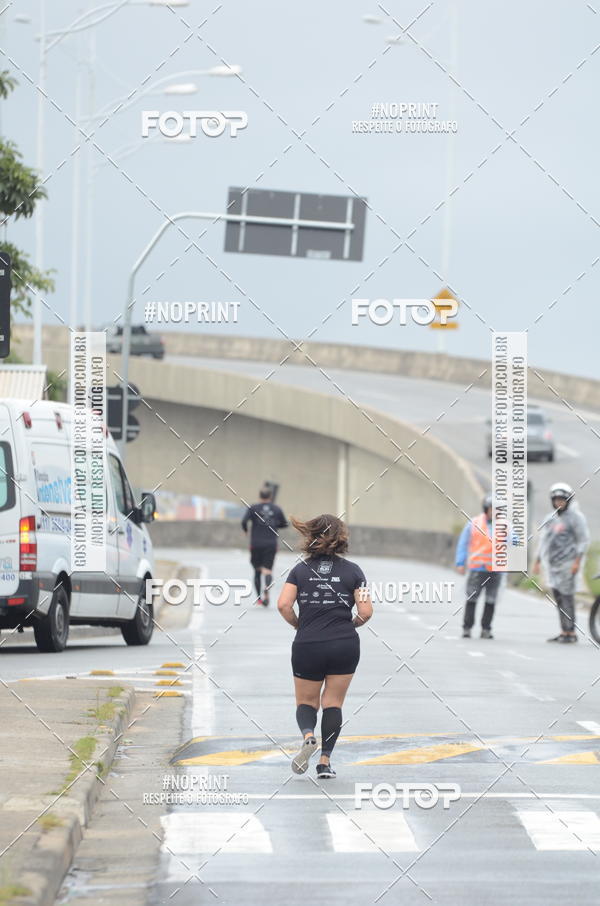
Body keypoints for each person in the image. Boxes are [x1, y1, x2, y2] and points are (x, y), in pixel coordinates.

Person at [277, 514, 373, 779]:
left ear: (311, 536)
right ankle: (324, 762)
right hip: (344, 645)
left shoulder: (299, 571)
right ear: (342, 537)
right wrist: (348, 626)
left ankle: (308, 736)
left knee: (306, 702)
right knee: (333, 703)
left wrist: (299, 624)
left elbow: (283, 605)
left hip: (308, 644)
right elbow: (366, 611)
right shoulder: (354, 572)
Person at [533, 482, 589, 644]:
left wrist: (577, 562)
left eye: (562, 500)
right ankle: (563, 630)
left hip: (568, 562)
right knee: (558, 597)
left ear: (569, 500)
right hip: (553, 564)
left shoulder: (576, 518)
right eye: (556, 499)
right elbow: (543, 541)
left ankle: (570, 631)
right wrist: (537, 561)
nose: (559, 503)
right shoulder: (549, 518)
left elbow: (582, 541)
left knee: (567, 597)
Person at [455, 494, 502, 639]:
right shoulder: (474, 523)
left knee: (491, 600)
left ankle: (486, 629)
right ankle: (467, 628)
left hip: (496, 570)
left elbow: (513, 542)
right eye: (492, 509)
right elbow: (463, 544)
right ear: (486, 509)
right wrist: (460, 563)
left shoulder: (505, 526)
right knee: (472, 599)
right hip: (478, 569)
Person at [241, 486, 288, 606]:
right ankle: (267, 590)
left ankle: (259, 599)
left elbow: (244, 521)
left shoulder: (253, 508)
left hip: (256, 544)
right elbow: (285, 524)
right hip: (271, 544)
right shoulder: (276, 509)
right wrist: (275, 525)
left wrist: (246, 531)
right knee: (268, 570)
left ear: (259, 496)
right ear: (271, 497)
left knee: (257, 570)